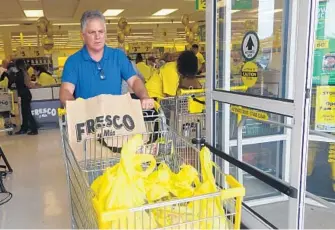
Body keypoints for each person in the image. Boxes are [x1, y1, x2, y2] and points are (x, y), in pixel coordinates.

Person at [60, 10, 154, 109]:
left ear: (105, 33)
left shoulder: (118, 56)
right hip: (87, 119)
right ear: (83, 36)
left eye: (101, 31)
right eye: (92, 32)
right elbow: (66, 90)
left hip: (116, 119)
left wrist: (144, 96)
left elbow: (134, 81)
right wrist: (74, 107)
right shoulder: (73, 62)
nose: (97, 37)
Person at [14, 59, 38, 135]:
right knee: (25, 112)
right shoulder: (25, 72)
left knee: (27, 112)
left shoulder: (19, 74)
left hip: (24, 94)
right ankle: (24, 128)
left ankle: (34, 129)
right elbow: (28, 84)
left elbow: (21, 85)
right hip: (26, 94)